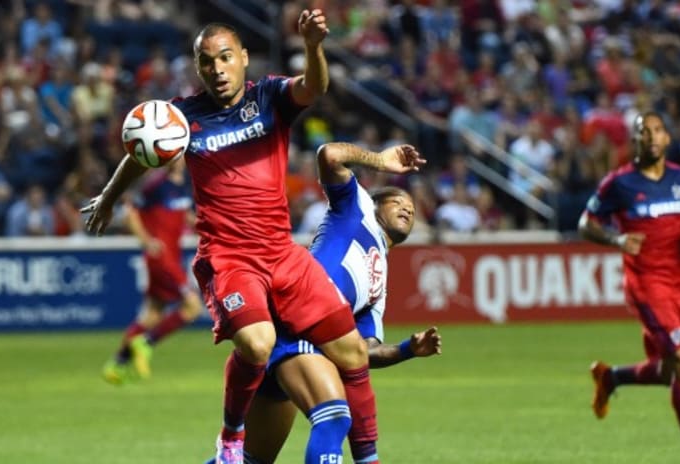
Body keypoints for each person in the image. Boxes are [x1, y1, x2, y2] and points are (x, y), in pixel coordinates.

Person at [81, 12, 389, 464]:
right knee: (258, 343)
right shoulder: (183, 118)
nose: (217, 70)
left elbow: (314, 88)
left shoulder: (269, 97)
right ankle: (230, 437)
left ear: (244, 59)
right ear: (198, 68)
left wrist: (312, 46)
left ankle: (368, 459)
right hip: (230, 261)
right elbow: (140, 154)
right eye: (207, 63)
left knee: (352, 353)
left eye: (226, 58)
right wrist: (109, 199)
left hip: (282, 254)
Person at [238, 142, 441, 464]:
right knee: (333, 417)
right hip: (294, 328)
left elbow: (362, 352)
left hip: (296, 343)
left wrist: (407, 350)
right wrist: (380, 161)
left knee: (249, 461)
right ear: (375, 203)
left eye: (413, 211)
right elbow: (329, 155)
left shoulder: (378, 283)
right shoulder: (355, 207)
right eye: (398, 201)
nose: (408, 210)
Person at [578, 111, 680, 464]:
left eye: (658, 130)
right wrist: (616, 238)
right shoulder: (619, 183)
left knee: (673, 370)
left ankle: (610, 378)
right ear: (635, 140)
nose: (652, 136)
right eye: (644, 131)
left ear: (667, 138)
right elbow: (586, 223)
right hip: (647, 284)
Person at [101, 160, 202, 385]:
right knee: (192, 306)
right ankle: (146, 342)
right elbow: (130, 213)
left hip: (171, 256)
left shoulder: (182, 185)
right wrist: (147, 242)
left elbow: (183, 215)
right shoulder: (155, 185)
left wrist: (207, 228)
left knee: (154, 313)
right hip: (161, 257)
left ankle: (117, 363)